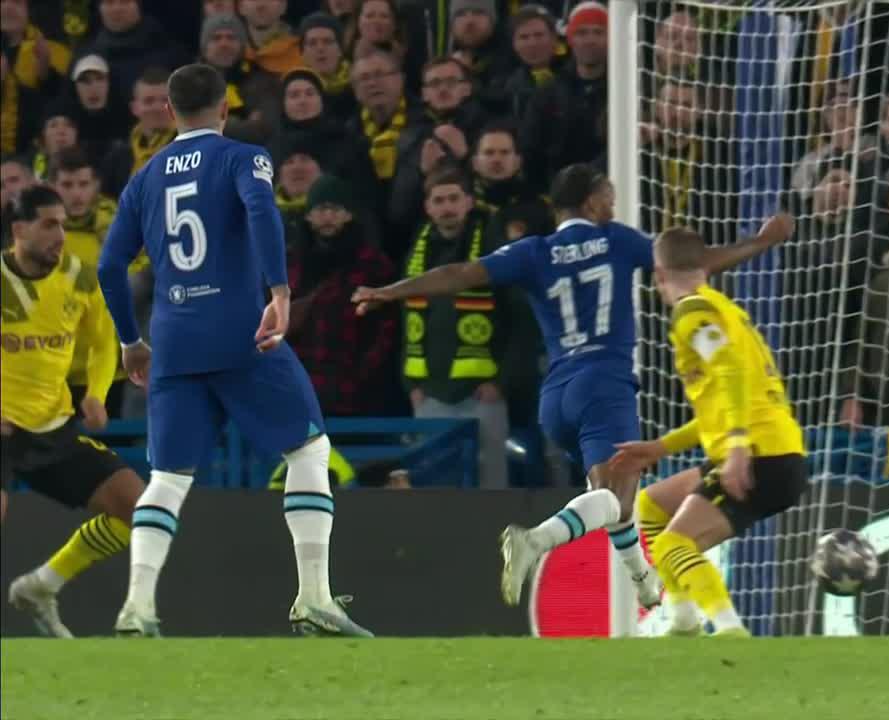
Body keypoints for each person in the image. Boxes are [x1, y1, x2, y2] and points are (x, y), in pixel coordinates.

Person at [352, 163, 792, 608]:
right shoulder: (616, 240)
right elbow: (693, 263)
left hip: (557, 394)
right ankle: (537, 540)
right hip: (605, 383)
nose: (614, 201)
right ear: (591, 201)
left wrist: (389, 291)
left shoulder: (533, 251)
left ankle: (643, 582)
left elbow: (458, 274)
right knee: (615, 500)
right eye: (608, 193)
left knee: (614, 498)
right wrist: (762, 241)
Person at [97, 63, 370, 638]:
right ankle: (314, 598)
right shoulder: (243, 158)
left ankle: (136, 607)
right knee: (308, 451)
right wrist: (279, 292)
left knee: (166, 477)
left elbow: (108, 265)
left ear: (169, 113)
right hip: (242, 332)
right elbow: (261, 211)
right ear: (224, 110)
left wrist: (130, 340)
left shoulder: (143, 179)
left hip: (172, 341)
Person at [607, 227, 809, 637]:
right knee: (651, 506)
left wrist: (736, 447)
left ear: (658, 273)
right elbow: (721, 403)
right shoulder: (723, 309)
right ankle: (683, 618)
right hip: (774, 450)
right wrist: (660, 447)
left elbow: (730, 371)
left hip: (757, 454)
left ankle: (730, 629)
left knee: (671, 544)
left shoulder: (691, 313)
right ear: (703, 267)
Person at [2, 185, 145, 638]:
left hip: (53, 424)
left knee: (138, 509)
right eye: (48, 225)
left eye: (62, 224)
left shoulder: (79, 277)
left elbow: (105, 341)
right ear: (18, 229)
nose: (59, 235)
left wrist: (97, 394)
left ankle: (42, 585)